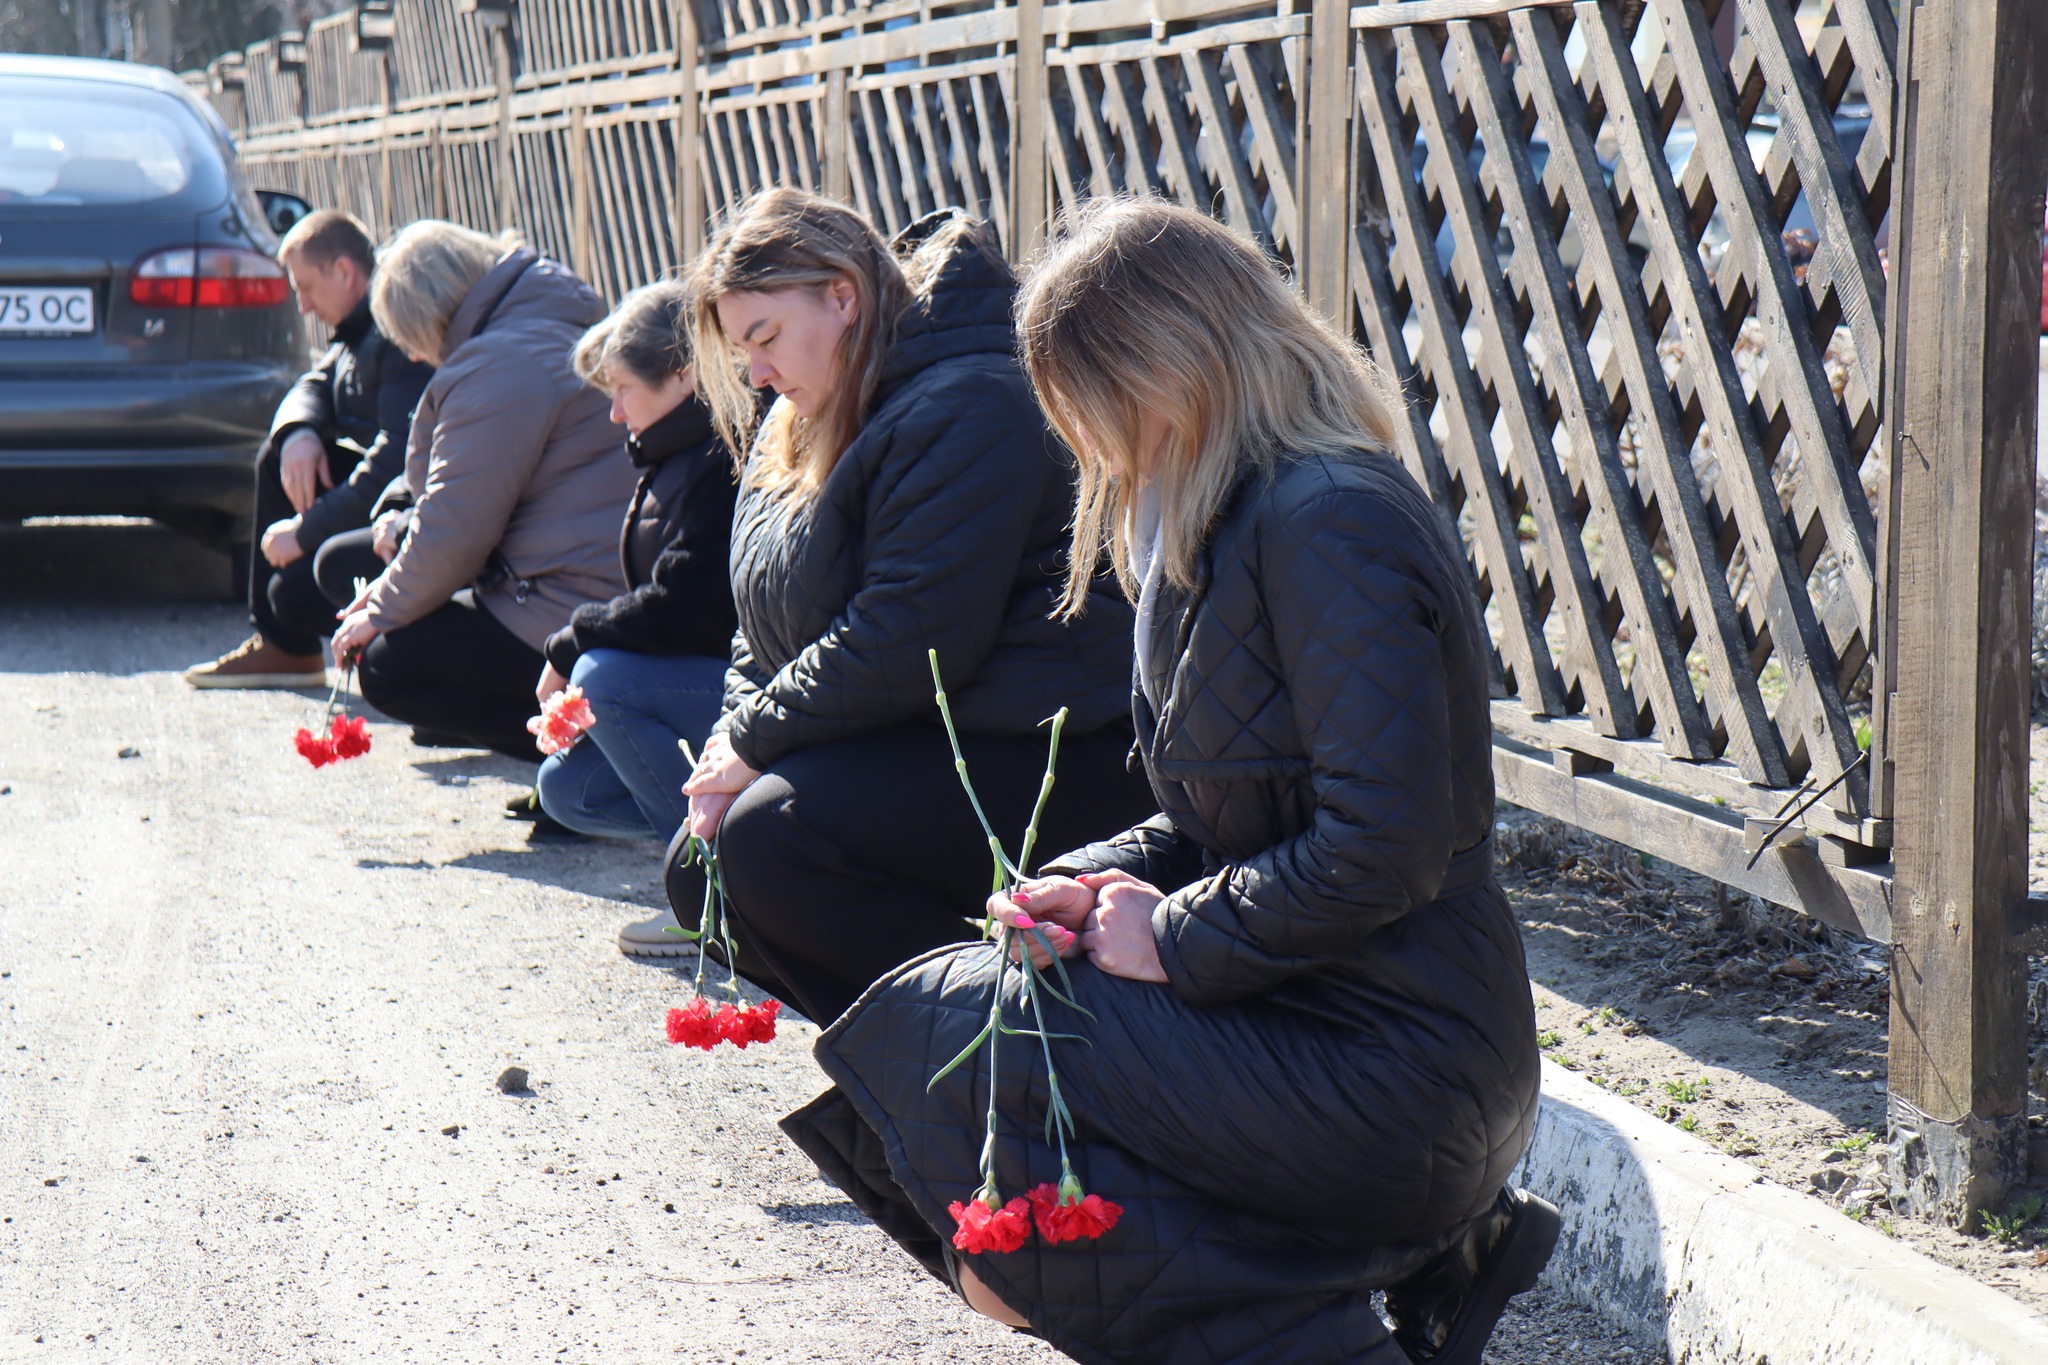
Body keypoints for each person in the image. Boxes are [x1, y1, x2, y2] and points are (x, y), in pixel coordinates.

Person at [777, 199, 1557, 1364]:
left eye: (1086, 404)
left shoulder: (1326, 520)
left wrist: (1174, 938)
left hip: (1403, 1059)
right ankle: (1348, 1297)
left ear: (1165, 367)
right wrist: (1091, 887)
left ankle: (1330, 1318)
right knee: (970, 1039)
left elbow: (1381, 846)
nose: (1086, 445)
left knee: (978, 1037)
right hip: (1321, 1015)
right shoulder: (1232, 513)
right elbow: (1217, 814)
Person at [666, 189, 1153, 1025]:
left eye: (766, 337)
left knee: (767, 842)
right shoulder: (802, 415)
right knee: (697, 865)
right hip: (923, 729)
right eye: (744, 351)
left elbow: (912, 634)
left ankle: (1045, 1046)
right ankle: (922, 1065)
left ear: (843, 295)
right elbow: (760, 621)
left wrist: (752, 738)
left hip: (1047, 749)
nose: (757, 372)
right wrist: (729, 739)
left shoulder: (972, 398)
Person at [325, 221, 636, 760]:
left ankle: (587, 762)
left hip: (566, 599)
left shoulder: (498, 365)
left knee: (386, 664)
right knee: (356, 571)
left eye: (408, 339)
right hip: (594, 573)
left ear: (426, 318)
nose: (417, 357)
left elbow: (457, 530)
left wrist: (381, 611)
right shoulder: (550, 312)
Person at [526, 282, 739, 947]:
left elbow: (687, 606)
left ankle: (716, 894)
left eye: (622, 389)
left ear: (682, 375)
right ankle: (711, 870)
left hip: (742, 689)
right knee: (566, 788)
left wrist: (570, 646)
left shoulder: (719, 457)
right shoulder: (671, 451)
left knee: (601, 678)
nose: (615, 413)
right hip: (700, 678)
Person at [185, 209, 432, 689]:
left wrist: (305, 531)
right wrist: (297, 432)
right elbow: (317, 381)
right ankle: (283, 650)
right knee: (278, 458)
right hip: (378, 501)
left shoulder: (395, 331)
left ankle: (307, 645)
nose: (302, 306)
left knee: (293, 593)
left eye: (306, 288)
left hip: (407, 512)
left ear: (344, 271)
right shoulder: (359, 328)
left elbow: (398, 462)